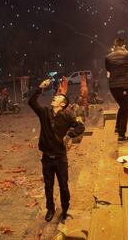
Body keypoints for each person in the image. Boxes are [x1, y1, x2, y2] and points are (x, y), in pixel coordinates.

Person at [29, 78, 85, 223]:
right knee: (48, 185)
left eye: (58, 97)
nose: (55, 98)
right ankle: (50, 209)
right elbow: (32, 102)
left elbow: (80, 127)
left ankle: (65, 209)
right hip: (47, 157)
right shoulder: (45, 113)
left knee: (63, 186)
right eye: (55, 96)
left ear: (63, 104)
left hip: (60, 158)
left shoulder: (68, 115)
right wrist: (40, 88)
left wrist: (68, 135)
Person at [105, 38, 128, 141]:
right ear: (124, 45)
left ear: (115, 45)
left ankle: (117, 127)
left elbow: (108, 69)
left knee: (122, 106)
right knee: (125, 109)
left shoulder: (108, 57)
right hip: (124, 86)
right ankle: (121, 135)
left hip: (113, 87)